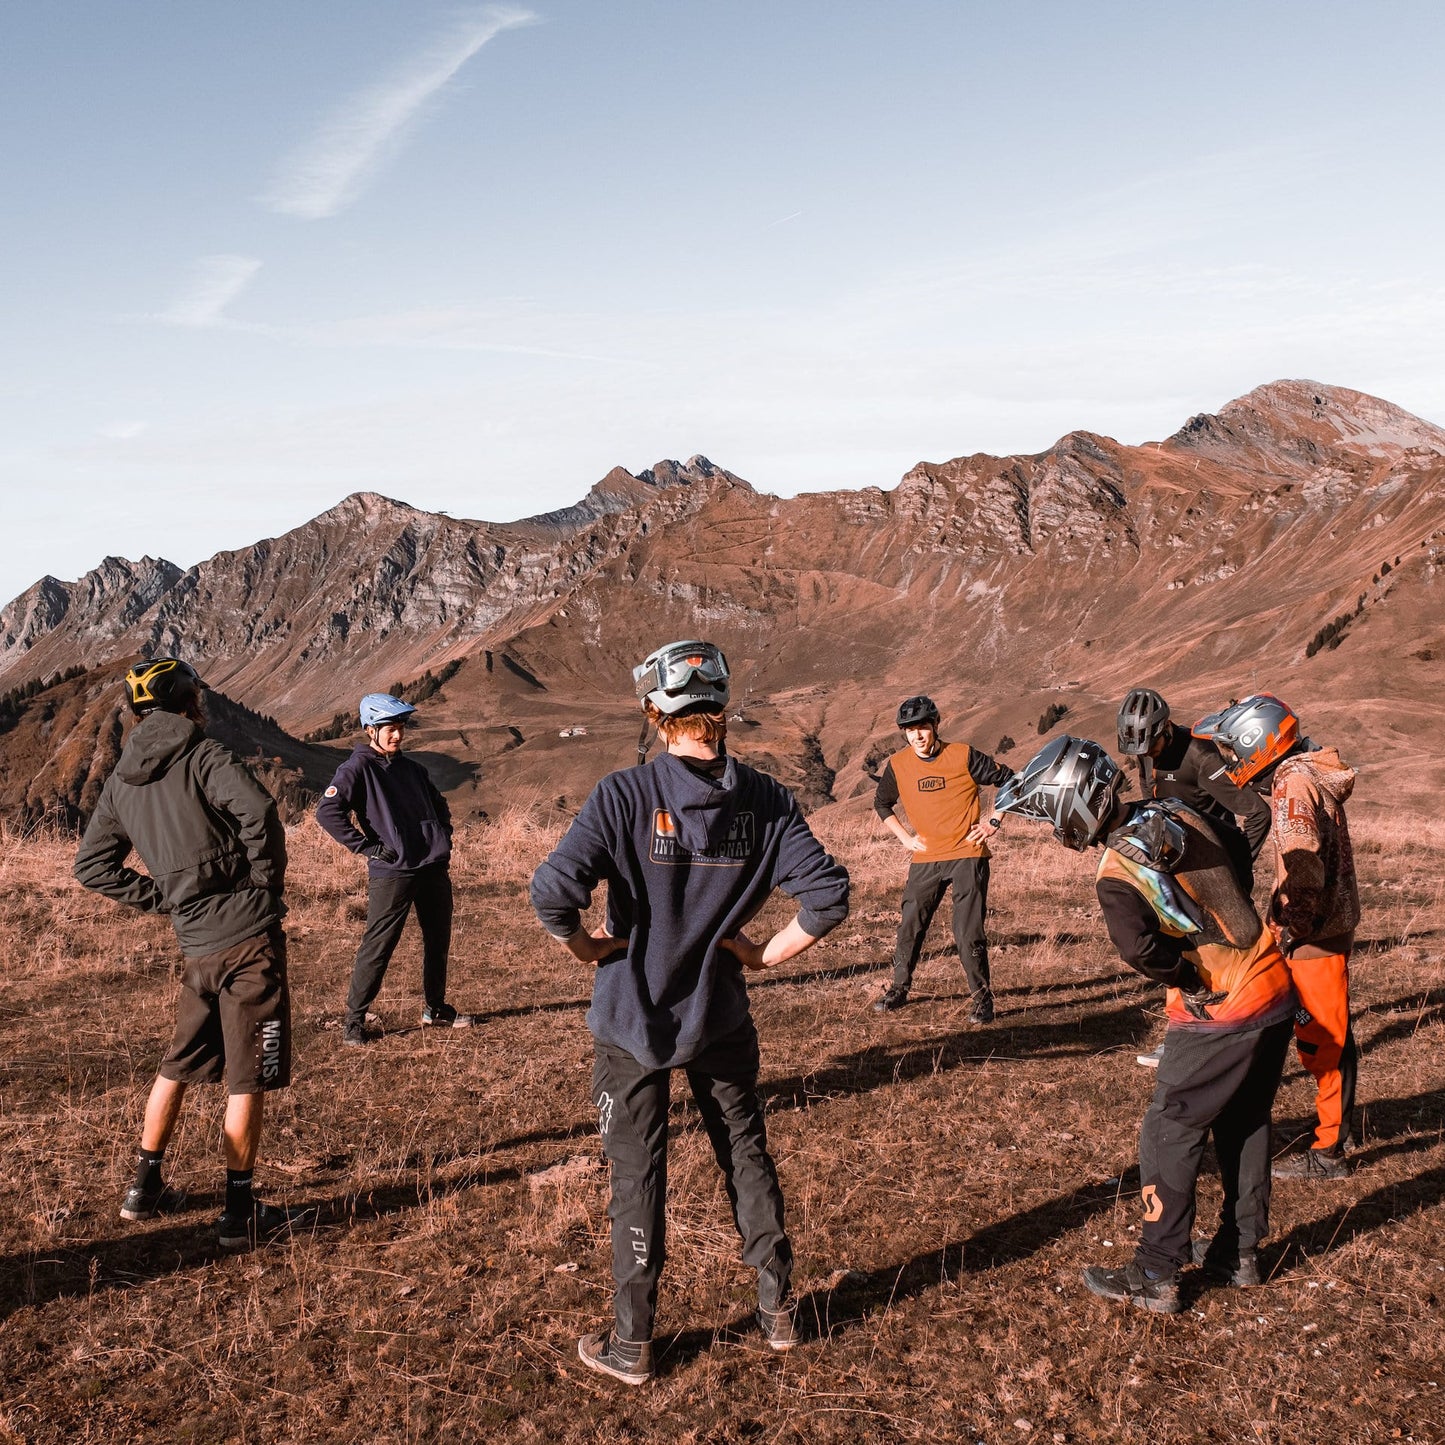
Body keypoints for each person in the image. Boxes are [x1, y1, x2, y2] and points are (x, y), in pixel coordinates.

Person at [530, 640, 849, 1385]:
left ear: (654, 713)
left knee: (636, 1174)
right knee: (745, 1152)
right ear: (723, 708)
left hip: (630, 1020)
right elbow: (828, 896)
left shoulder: (622, 795)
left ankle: (632, 1343)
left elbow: (551, 893)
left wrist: (586, 949)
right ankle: (777, 1312)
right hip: (721, 1017)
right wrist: (761, 956)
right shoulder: (767, 800)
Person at [996, 736, 1297, 1312]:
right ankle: (1240, 1252)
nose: (1055, 830)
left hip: (1222, 1005)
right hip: (1273, 980)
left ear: (1072, 808)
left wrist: (1188, 976)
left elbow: (1139, 951)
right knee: (1245, 1120)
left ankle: (1157, 1271)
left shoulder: (1117, 872)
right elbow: (1237, 848)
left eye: (1051, 816)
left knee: (1168, 1129)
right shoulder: (1172, 807)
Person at [74, 658, 305, 1250]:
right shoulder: (203, 754)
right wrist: (264, 884)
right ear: (187, 701)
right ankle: (238, 1213)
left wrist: (167, 899)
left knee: (177, 1064)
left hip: (195, 945)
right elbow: (259, 811)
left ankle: (143, 1188)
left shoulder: (120, 782)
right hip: (247, 938)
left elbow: (92, 866)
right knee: (248, 1075)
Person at [1193, 695, 1360, 1180]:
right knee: (1322, 1033)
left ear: (1257, 744)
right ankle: (1332, 1129)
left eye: (1233, 751)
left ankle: (1330, 1152)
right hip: (1320, 927)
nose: (1231, 762)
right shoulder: (1304, 774)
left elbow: (1303, 865)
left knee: (1323, 1041)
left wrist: (1292, 927)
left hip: (1314, 935)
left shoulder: (1292, 784)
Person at [1117, 687, 1273, 1068]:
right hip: (1179, 873)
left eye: (1151, 747)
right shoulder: (1146, 755)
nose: (1146, 758)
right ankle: (1183, 1040)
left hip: (1218, 878)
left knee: (1226, 962)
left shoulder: (1200, 757)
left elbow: (1258, 813)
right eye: (1139, 752)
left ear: (1165, 728)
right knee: (1182, 953)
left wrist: (1236, 870)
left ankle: (1246, 1038)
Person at [317, 693, 476, 1045]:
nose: (397, 735)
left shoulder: (413, 769)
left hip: (432, 866)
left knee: (438, 940)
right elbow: (327, 812)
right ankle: (354, 1021)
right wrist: (368, 847)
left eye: (400, 727)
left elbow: (440, 804)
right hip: (393, 871)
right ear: (370, 729)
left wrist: (442, 835)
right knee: (379, 945)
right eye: (389, 728)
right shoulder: (356, 769)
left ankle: (435, 1008)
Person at [872, 695, 1014, 1021]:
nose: (917, 735)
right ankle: (898, 989)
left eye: (923, 727)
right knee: (910, 926)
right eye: (910, 730)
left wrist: (994, 821)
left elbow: (1010, 780)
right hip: (926, 858)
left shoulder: (963, 755)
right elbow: (882, 803)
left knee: (967, 932)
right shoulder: (898, 765)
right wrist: (906, 838)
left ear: (936, 725)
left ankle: (982, 1000)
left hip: (967, 854)